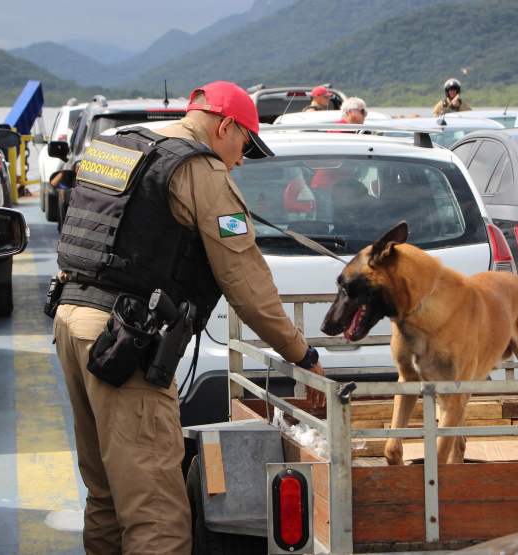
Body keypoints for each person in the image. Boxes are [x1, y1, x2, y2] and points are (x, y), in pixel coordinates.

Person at [51, 81, 326, 555]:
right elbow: (247, 285)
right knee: (157, 510)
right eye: (243, 145)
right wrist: (302, 354)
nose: (239, 160)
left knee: (108, 495)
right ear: (224, 126)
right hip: (124, 342)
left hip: (72, 320)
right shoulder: (197, 168)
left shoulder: (117, 145)